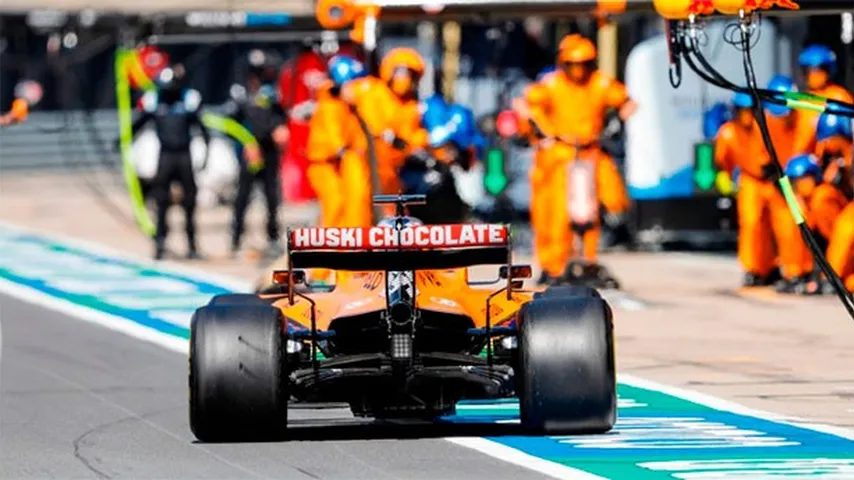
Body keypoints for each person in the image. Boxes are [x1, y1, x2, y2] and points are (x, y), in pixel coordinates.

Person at [522, 34, 636, 284]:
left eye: (583, 64)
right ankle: (554, 266)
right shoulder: (551, 85)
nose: (578, 70)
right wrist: (542, 129)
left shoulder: (600, 84)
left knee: (594, 211)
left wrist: (617, 122)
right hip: (559, 154)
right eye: (572, 64)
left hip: (591, 152)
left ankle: (587, 261)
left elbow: (628, 102)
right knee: (554, 215)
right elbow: (526, 106)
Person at [714, 92, 804, 288]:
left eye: (750, 111)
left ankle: (794, 269)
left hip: (773, 180)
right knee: (752, 223)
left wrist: (779, 169)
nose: (747, 116)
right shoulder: (728, 133)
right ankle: (755, 269)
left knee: (786, 222)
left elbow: (785, 148)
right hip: (750, 181)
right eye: (743, 111)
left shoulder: (766, 126)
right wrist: (726, 186)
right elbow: (722, 164)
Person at [130, 66, 210, 260]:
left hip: (184, 156)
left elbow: (201, 127)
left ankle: (192, 245)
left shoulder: (187, 103)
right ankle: (160, 244)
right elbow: (139, 123)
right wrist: (122, 141)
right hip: (165, 156)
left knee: (189, 202)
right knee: (162, 202)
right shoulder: (156, 103)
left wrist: (206, 153)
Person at [225, 49, 290, 258]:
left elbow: (279, 116)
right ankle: (236, 238)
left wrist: (280, 128)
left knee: (271, 195)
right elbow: (232, 123)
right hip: (249, 150)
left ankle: (272, 237)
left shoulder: (271, 92)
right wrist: (245, 143)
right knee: (243, 195)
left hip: (269, 150)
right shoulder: (240, 92)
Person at [793, 45, 854, 156]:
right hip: (806, 160)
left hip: (836, 157)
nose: (814, 75)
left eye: (818, 70)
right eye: (810, 71)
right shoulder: (802, 100)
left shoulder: (840, 96)